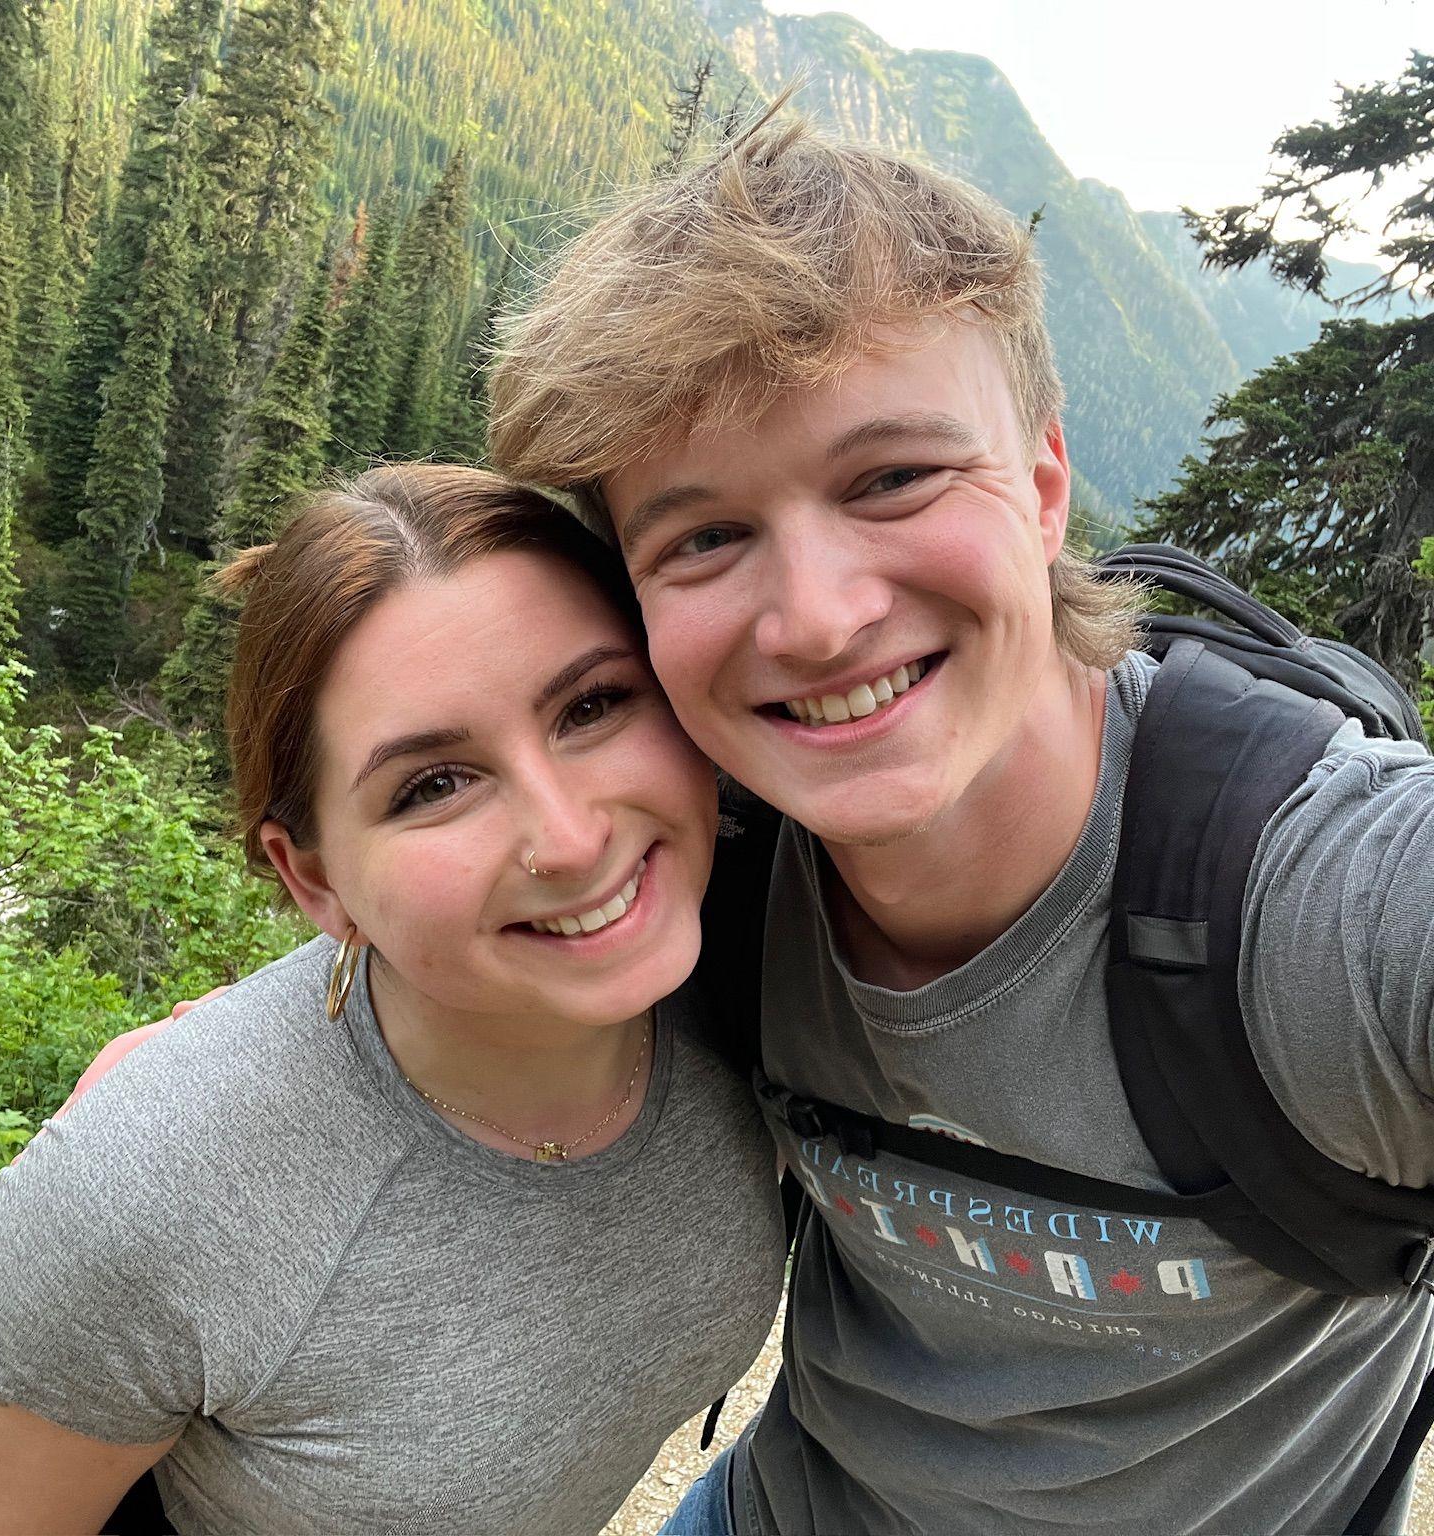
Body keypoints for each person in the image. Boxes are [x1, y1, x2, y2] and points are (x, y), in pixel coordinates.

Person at [484, 114, 1434, 1533]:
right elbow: (437, 942)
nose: (814, 617)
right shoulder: (710, 859)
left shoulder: (1312, 900)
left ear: (1045, 487)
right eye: (703, 537)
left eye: (892, 480)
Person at [0, 463, 786, 1536]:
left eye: (595, 703)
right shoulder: (141, 1201)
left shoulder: (758, 961)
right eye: (433, 784)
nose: (572, 839)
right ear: (316, 880)